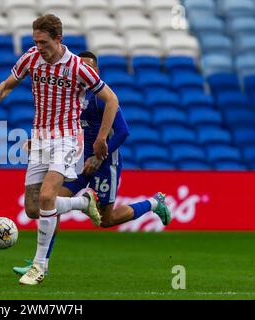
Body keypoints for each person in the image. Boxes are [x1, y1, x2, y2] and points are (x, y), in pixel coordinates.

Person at [0, 14, 119, 285]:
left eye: (43, 42)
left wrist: (101, 138)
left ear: (58, 39)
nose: (39, 47)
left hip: (67, 139)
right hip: (40, 138)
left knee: (46, 197)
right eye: (35, 41)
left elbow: (111, 100)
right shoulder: (31, 58)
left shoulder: (78, 67)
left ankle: (39, 266)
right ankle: (82, 202)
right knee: (33, 208)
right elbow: (8, 84)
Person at [12, 51, 172, 277]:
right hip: (77, 161)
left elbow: (124, 132)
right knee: (51, 205)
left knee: (106, 220)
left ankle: (155, 203)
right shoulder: (69, 96)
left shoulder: (100, 98)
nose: (84, 71)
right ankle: (41, 264)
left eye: (90, 68)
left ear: (95, 72)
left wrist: (99, 157)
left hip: (105, 164)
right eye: (81, 66)